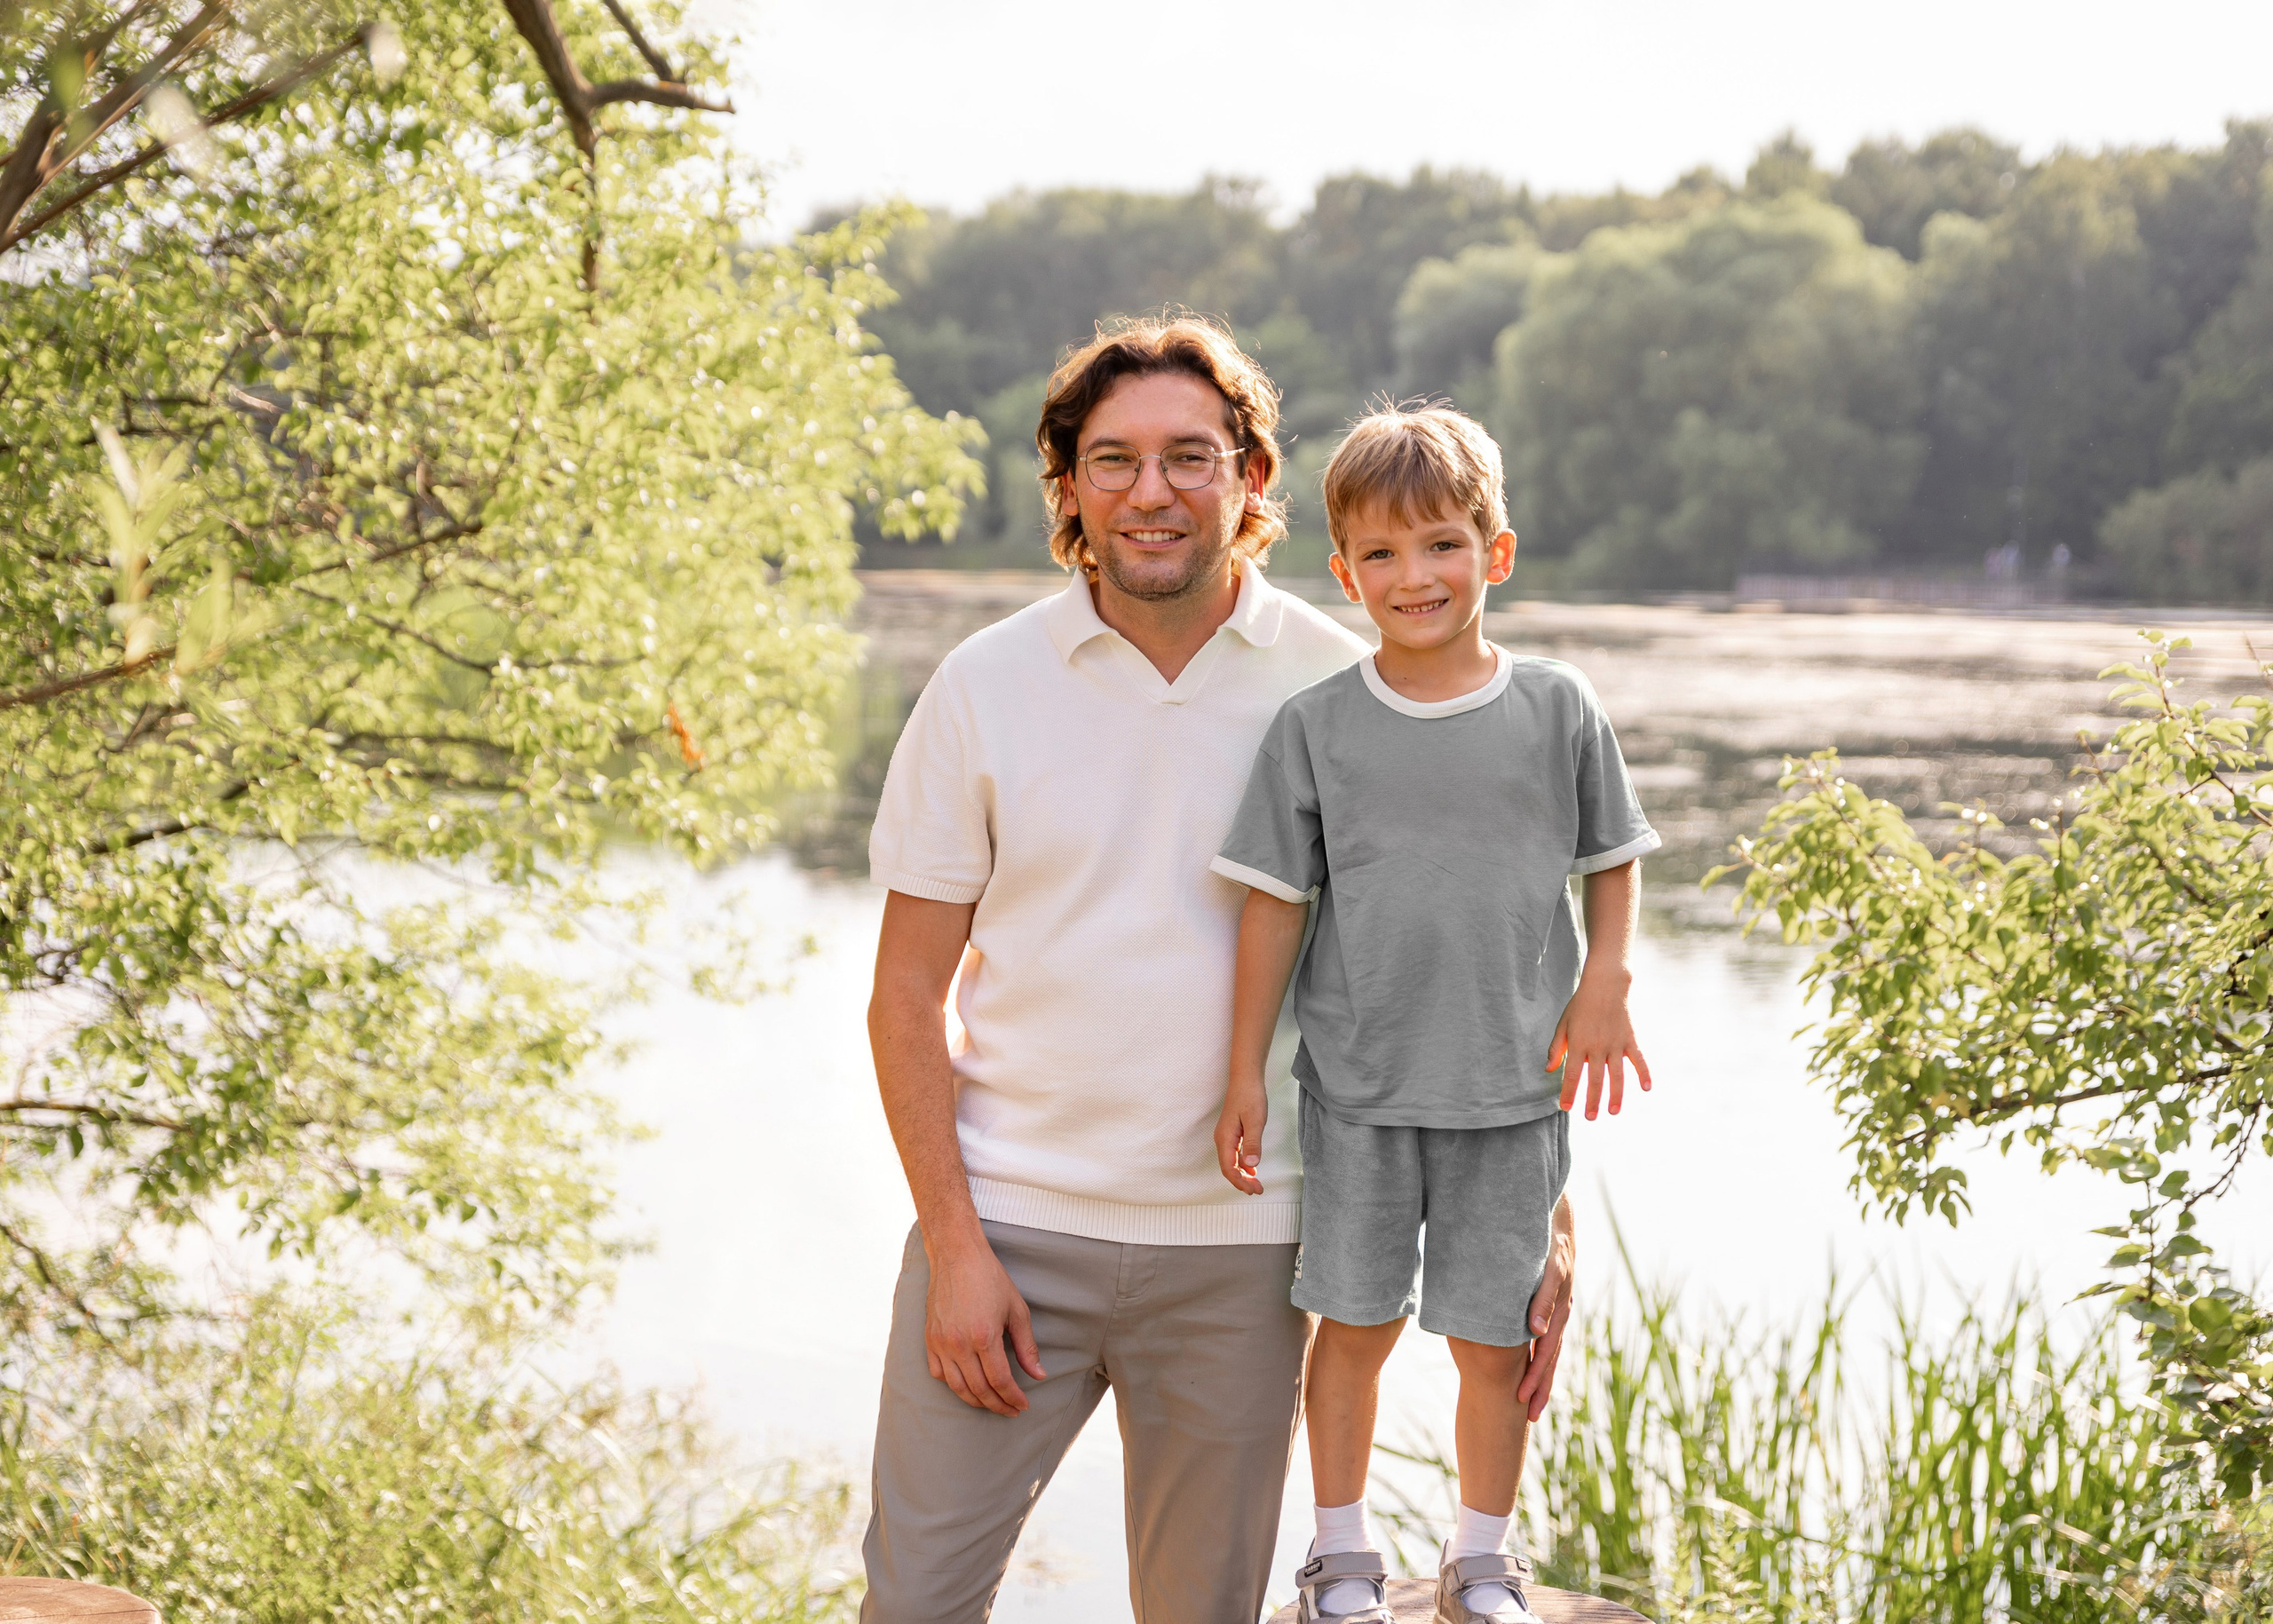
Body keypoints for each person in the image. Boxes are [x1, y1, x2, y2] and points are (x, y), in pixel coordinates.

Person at [860, 321, 1578, 1624]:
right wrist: (956, 1244)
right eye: (1113, 459)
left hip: (1251, 1256)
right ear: (1069, 485)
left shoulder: (1347, 684)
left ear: (1250, 477)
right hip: (1010, 1237)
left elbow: (1479, 957)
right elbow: (906, 991)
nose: (1151, 490)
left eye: (1190, 456)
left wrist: (1549, 1210)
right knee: (911, 1611)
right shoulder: (983, 686)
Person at [1212, 405, 1658, 1624]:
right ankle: (1343, 1558)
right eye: (1385, 555)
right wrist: (1244, 1068)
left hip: (1513, 1093)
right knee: (1349, 1325)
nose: (1417, 576)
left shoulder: (1560, 709)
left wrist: (1605, 978)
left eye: (1445, 545)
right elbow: (1271, 909)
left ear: (1495, 552)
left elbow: (1612, 856)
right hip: (1356, 1091)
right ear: (1345, 571)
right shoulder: (1316, 728)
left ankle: (1480, 1561)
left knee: (1496, 1345)